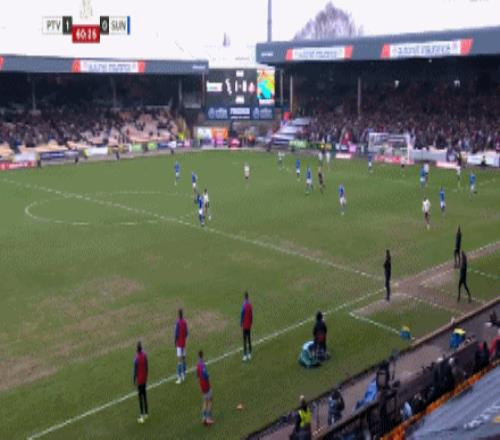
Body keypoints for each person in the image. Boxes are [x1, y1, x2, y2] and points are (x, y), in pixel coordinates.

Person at [197, 350, 214, 425]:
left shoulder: (197, 365)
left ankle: (203, 418)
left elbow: (198, 375)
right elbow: (204, 375)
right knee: (210, 401)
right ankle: (208, 418)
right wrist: (208, 375)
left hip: (201, 385)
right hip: (206, 385)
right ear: (202, 355)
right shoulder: (202, 365)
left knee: (205, 401)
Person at [133, 341, 149, 424]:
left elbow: (135, 371)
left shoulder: (136, 359)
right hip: (144, 379)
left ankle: (142, 415)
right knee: (145, 395)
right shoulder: (145, 355)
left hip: (139, 380)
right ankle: (146, 413)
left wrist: (134, 380)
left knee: (140, 398)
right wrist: (146, 375)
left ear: (137, 349)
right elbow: (147, 367)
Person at [175, 309, 188, 384]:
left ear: (178, 315)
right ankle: (184, 374)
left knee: (179, 361)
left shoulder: (177, 323)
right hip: (183, 343)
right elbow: (186, 333)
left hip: (179, 344)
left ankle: (179, 378)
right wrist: (183, 338)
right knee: (183, 359)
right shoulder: (185, 322)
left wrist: (175, 341)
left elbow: (176, 334)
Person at [241, 291, 253, 361]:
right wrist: (251, 322)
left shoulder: (244, 305)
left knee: (245, 340)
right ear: (248, 297)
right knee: (249, 338)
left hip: (245, 325)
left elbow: (242, 314)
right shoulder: (250, 305)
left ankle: (245, 355)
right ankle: (250, 353)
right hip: (249, 325)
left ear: (244, 297)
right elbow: (251, 315)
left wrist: (241, 323)